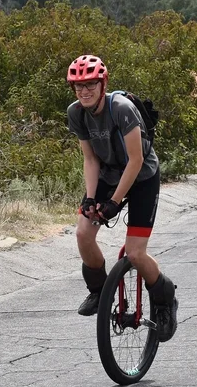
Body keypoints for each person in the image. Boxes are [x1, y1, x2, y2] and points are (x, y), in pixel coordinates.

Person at [65, 54, 178, 342]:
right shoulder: (76, 113)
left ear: (103, 84)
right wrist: (91, 199)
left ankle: (165, 299)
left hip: (142, 177)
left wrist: (115, 202)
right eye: (79, 86)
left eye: (91, 84)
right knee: (83, 233)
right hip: (108, 174)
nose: (84, 91)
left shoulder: (122, 109)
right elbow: (90, 159)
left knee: (135, 253)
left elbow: (136, 160)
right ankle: (99, 292)